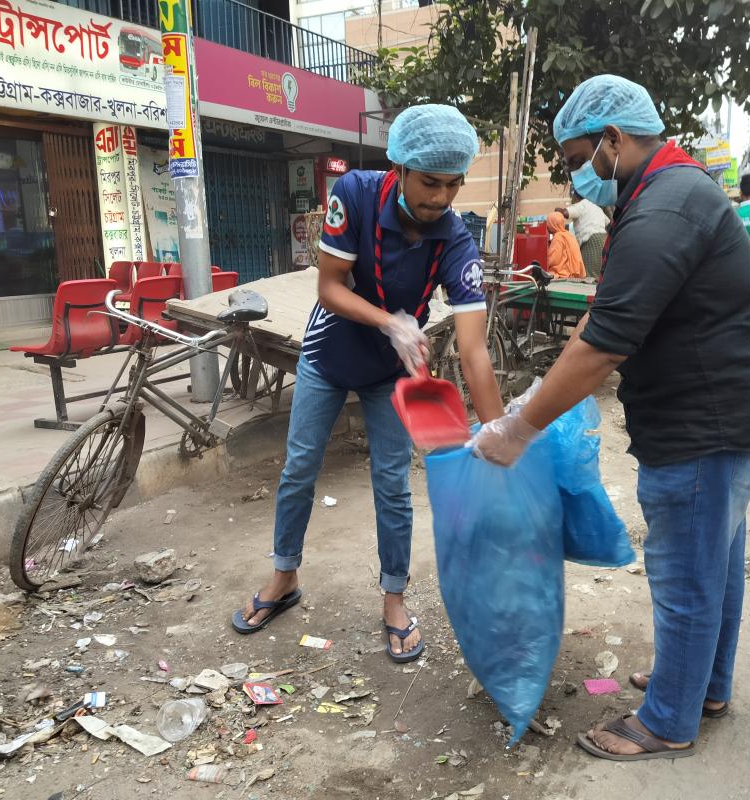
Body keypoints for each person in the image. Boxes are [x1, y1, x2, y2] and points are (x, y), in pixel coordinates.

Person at [471, 75, 750, 760]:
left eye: (576, 160)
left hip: (707, 424)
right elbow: (603, 314)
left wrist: (518, 429)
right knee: (713, 561)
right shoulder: (667, 193)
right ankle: (701, 684)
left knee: (686, 573)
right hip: (728, 414)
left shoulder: (663, 209)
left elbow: (604, 345)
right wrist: (534, 399)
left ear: (613, 140)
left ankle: (668, 720)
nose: (576, 176)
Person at [232, 105, 503, 663]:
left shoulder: (455, 240)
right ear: (400, 168)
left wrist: (500, 434)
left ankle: (394, 598)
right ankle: (284, 576)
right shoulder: (354, 194)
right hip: (329, 355)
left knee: (392, 484)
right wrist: (391, 323)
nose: (441, 198)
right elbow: (330, 287)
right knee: (300, 467)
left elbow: (474, 348)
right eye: (430, 182)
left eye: (453, 184)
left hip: (392, 370)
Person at [555, 196, 610, 280]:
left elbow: (565, 213)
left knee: (590, 275)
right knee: (600, 272)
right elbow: (608, 222)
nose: (572, 199)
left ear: (577, 196)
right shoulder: (596, 207)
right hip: (603, 239)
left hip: (590, 240)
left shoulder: (581, 205)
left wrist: (558, 210)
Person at [545, 211, 586, 279]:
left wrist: (542, 264)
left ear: (552, 224)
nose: (547, 226)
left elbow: (554, 259)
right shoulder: (568, 235)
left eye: (548, 223)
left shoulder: (558, 237)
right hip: (574, 272)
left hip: (564, 273)